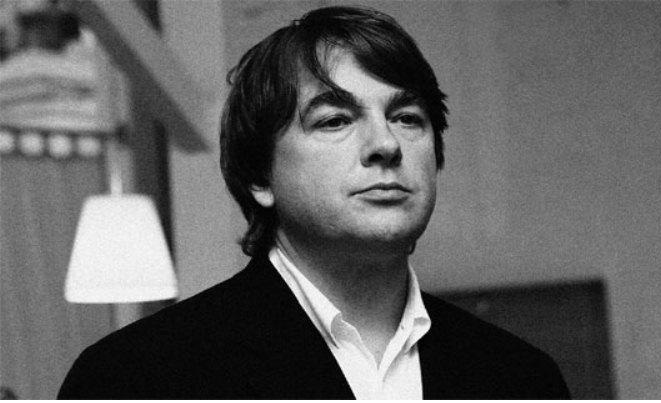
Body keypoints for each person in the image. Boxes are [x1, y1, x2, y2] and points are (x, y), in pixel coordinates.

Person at [58, 6, 570, 399]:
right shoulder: (136, 377)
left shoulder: (521, 378)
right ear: (260, 176)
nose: (386, 144)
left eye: (407, 118)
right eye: (334, 120)